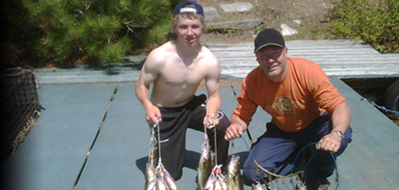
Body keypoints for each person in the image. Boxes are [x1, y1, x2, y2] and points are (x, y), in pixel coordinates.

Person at [224, 28, 353, 189]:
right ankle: (302, 156)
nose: (270, 60)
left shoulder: (308, 71)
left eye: (275, 53)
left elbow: (339, 105)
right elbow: (241, 116)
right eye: (264, 56)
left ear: (285, 52)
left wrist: (336, 133)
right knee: (252, 173)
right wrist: (236, 125)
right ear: (257, 58)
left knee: (343, 135)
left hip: (316, 122)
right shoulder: (251, 81)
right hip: (282, 130)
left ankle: (316, 172)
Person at [135, 0, 230, 180]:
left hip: (190, 106)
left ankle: (219, 170)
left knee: (222, 124)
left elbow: (214, 96)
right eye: (183, 27)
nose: (189, 33)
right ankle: (167, 150)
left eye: (194, 26)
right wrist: (147, 105)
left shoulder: (209, 60)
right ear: (175, 27)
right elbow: (141, 85)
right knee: (170, 175)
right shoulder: (159, 56)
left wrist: (211, 113)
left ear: (202, 27)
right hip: (164, 113)